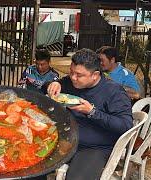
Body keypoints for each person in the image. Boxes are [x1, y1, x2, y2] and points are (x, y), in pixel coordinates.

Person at [46, 48, 133, 180]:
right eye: (71, 72)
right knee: (31, 164)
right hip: (65, 139)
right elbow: (46, 87)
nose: (73, 78)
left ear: (95, 75)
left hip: (95, 147)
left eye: (79, 75)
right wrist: (54, 83)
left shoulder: (114, 92)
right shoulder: (71, 82)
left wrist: (92, 112)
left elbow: (125, 126)